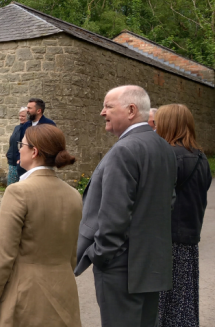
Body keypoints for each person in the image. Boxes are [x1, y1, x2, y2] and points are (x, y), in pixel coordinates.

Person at [75, 85, 177, 327]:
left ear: (131, 110)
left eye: (108, 106)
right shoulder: (163, 147)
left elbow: (114, 217)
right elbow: (168, 201)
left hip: (123, 269)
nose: (102, 112)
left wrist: (99, 255)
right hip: (151, 266)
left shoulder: (124, 150)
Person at [0, 124, 82, 326]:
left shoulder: (19, 192)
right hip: (65, 292)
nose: (19, 149)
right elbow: (71, 255)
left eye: (21, 144)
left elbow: (3, 254)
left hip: (27, 294)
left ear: (34, 151)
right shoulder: (74, 195)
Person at [155, 104, 211, 327]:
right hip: (189, 238)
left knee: (163, 305)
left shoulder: (167, 157)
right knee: (184, 303)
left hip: (167, 241)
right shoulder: (201, 158)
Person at [16, 98, 56, 177]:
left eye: (30, 108)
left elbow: (52, 145)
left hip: (40, 165)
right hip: (25, 166)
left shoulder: (49, 125)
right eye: (27, 107)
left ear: (38, 111)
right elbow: (21, 142)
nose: (27, 110)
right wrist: (19, 158)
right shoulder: (26, 125)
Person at [5, 107, 27, 186]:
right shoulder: (17, 128)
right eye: (20, 116)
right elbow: (13, 141)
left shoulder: (28, 129)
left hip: (21, 161)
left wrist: (20, 158)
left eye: (23, 116)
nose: (21, 118)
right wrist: (9, 152)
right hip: (12, 160)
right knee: (11, 185)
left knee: (21, 185)